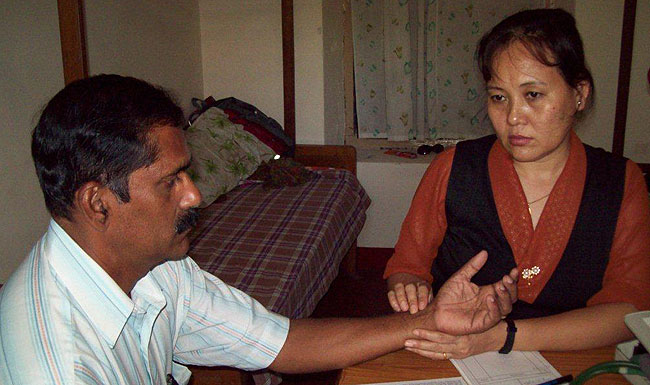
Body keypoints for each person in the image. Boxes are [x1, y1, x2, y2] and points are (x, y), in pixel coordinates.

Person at [0, 74, 519, 385]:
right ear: (97, 202)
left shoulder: (157, 270)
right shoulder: (58, 367)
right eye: (170, 182)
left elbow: (281, 342)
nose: (194, 195)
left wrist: (424, 321)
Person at [384, 8, 650, 360]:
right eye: (499, 97)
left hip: (573, 359)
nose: (512, 117)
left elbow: (628, 310)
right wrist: (410, 288)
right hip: (453, 356)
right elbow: (407, 266)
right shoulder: (453, 168)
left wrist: (501, 336)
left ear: (579, 94)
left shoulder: (619, 182)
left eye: (533, 95)